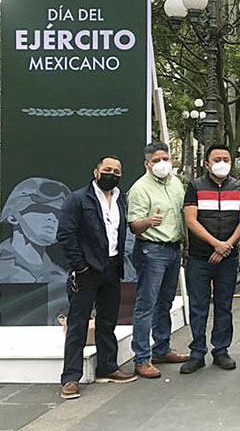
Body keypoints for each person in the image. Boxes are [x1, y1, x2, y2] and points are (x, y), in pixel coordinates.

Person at [57, 156, 137, 400]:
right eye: (107, 169)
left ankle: (108, 367)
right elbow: (66, 233)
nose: (112, 174)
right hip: (87, 270)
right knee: (78, 323)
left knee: (108, 321)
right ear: (96, 171)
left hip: (112, 267)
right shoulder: (78, 199)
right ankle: (71, 377)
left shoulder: (120, 199)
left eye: (116, 171)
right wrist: (80, 266)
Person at [180, 145, 240, 375]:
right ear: (207, 164)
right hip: (200, 258)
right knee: (198, 307)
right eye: (217, 159)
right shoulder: (195, 186)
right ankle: (197, 352)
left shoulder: (238, 187)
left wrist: (226, 245)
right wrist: (215, 244)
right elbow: (191, 220)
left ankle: (221, 350)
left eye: (226, 159)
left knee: (224, 306)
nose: (222, 163)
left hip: (228, 257)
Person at [126, 142, 189, 379]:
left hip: (174, 248)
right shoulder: (140, 189)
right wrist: (149, 221)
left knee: (165, 302)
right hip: (151, 251)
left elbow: (182, 216)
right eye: (156, 160)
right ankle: (142, 358)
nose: (162, 164)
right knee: (146, 305)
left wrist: (185, 245)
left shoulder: (176, 183)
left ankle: (162, 349)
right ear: (147, 164)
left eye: (165, 159)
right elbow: (134, 225)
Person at [0, 177, 71, 325]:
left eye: (58, 214)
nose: (52, 218)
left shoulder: (61, 277)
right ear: (13, 216)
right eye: (43, 210)